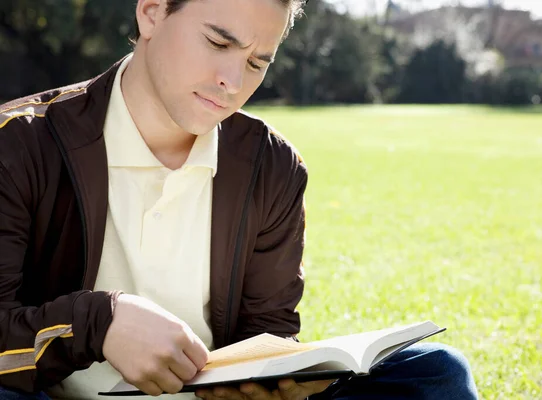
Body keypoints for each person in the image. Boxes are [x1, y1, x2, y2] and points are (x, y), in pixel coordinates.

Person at [0, 0, 479, 399]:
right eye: (218, 42)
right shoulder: (21, 143)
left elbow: (267, 331)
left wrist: (274, 382)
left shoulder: (273, 168)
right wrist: (100, 323)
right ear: (151, 13)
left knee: (436, 374)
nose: (233, 81)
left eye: (256, 62)